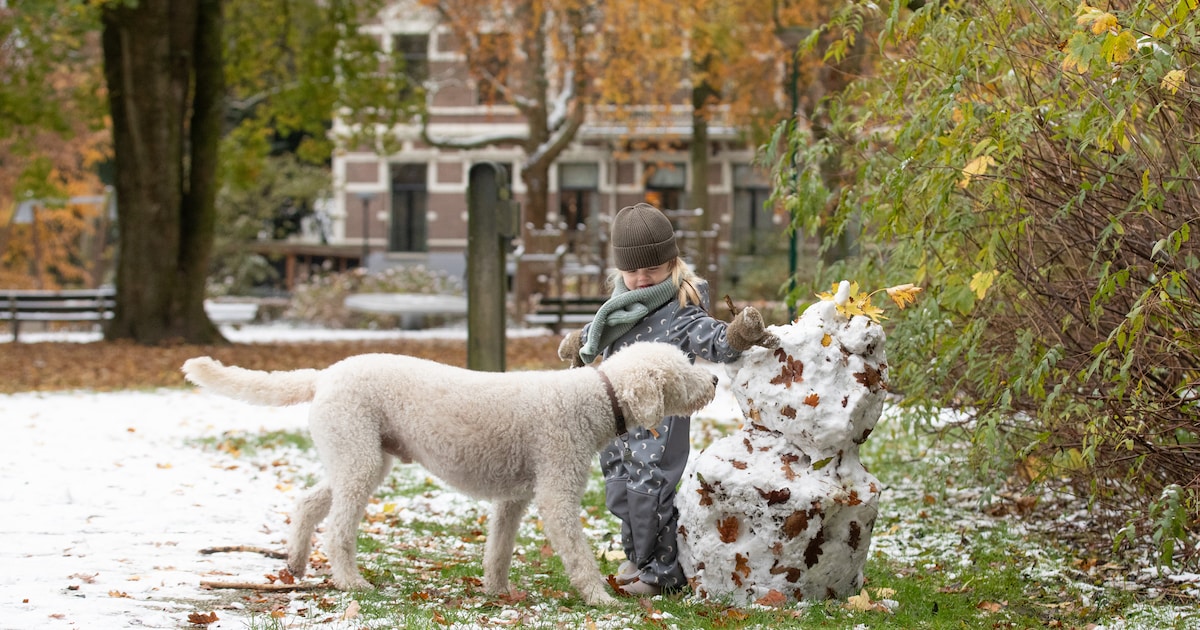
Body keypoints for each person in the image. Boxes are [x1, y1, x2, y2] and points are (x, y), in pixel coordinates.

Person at [557, 202, 778, 596]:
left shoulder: (680, 308)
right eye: (632, 271)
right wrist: (580, 343)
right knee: (620, 488)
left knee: (650, 492)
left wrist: (737, 334)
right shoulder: (621, 306)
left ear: (671, 264)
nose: (642, 279)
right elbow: (600, 332)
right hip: (618, 418)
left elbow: (711, 338)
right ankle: (637, 557)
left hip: (659, 423)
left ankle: (663, 574)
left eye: (652, 270)